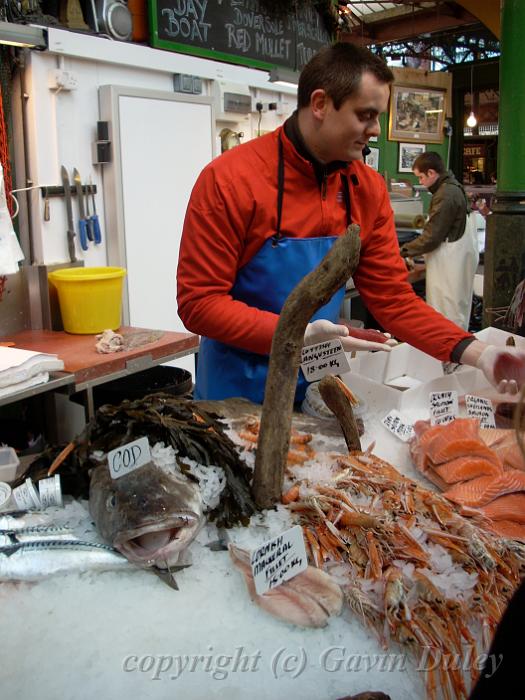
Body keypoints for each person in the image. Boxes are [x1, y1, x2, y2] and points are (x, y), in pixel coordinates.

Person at [177, 43, 525, 404]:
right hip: (236, 390)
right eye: (365, 115)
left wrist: (479, 353)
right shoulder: (229, 179)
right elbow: (198, 303)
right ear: (320, 104)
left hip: (317, 383)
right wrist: (297, 331)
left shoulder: (366, 188)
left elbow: (393, 300)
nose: (375, 129)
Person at [400, 152, 479, 329]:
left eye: (420, 177)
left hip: (450, 267)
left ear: (431, 173)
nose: (420, 182)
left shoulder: (446, 195)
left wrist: (403, 251)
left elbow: (432, 237)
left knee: (447, 316)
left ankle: (448, 356)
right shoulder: (452, 187)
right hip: (454, 264)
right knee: (456, 313)